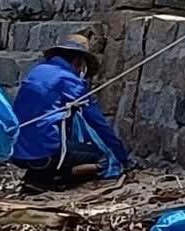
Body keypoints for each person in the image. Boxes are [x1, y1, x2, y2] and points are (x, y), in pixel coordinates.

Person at [10, 35, 129, 189]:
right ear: (79, 61)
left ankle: (38, 175)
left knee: (72, 146)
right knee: (100, 158)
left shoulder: (37, 71)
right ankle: (51, 178)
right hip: (44, 154)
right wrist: (121, 157)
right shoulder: (70, 81)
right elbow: (98, 124)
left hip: (16, 152)